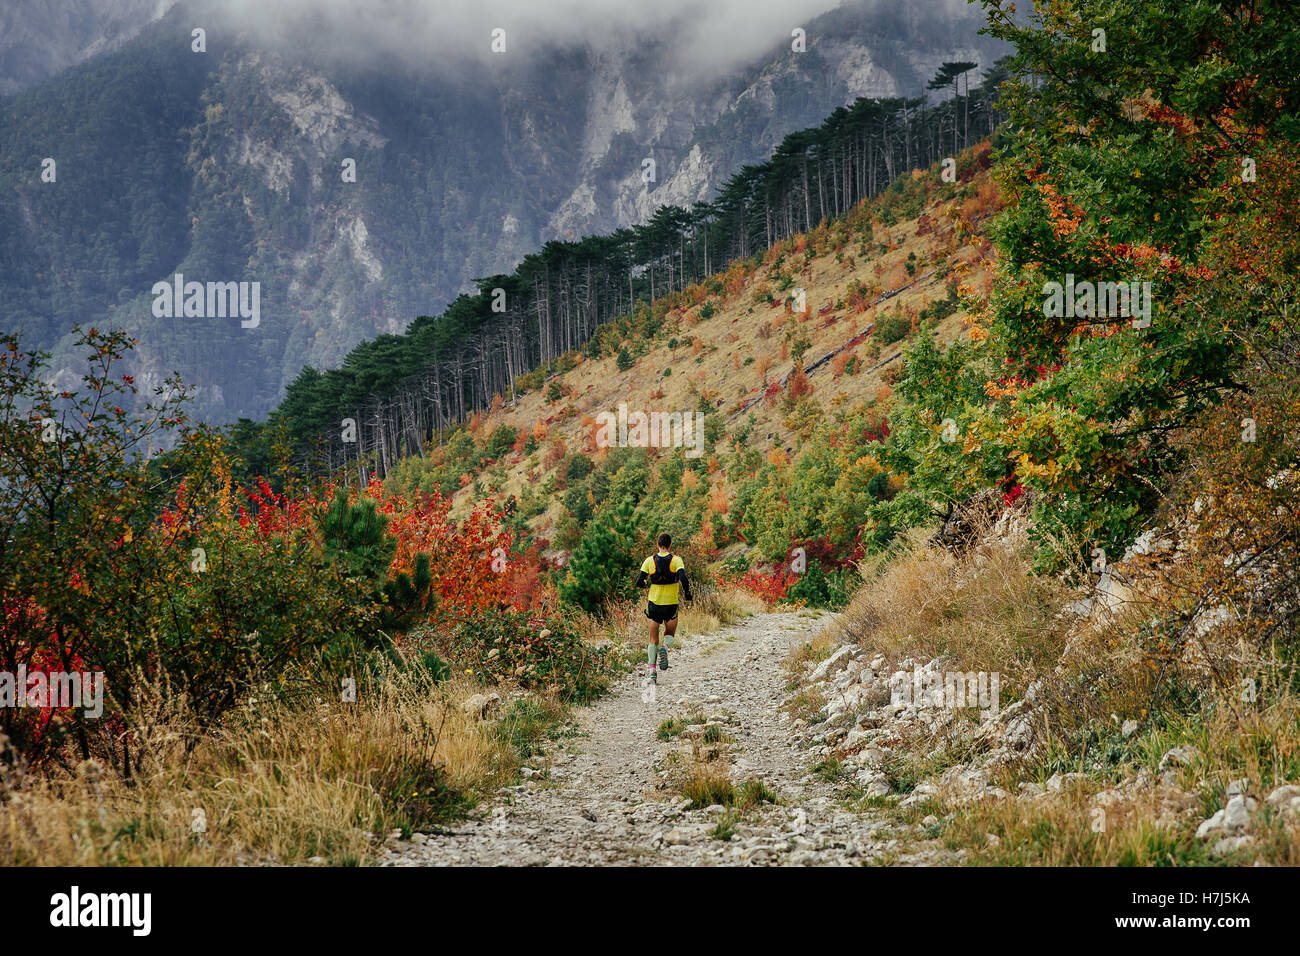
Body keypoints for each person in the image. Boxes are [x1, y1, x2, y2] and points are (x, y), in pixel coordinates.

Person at [635, 533, 692, 683]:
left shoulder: (649, 561)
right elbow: (684, 578)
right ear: (670, 544)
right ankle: (665, 648)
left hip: (654, 604)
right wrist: (688, 593)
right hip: (671, 604)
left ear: (657, 544)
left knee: (653, 639)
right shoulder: (676, 560)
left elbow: (639, 582)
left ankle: (652, 672)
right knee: (670, 634)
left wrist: (649, 585)